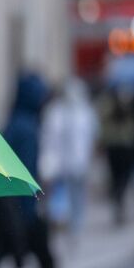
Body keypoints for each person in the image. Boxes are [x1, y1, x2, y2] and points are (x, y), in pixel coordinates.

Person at [2, 73, 69, 268]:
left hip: (10, 211)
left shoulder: (12, 124)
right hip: (23, 214)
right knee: (48, 266)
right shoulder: (28, 129)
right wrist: (34, 211)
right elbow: (27, 176)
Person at [40, 78, 99, 239]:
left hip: (79, 163)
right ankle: (61, 220)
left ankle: (75, 224)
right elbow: (49, 139)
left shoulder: (85, 113)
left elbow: (91, 138)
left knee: (78, 195)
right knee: (61, 193)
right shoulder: (55, 112)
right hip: (61, 164)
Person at [98, 86, 134, 226]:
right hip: (120, 144)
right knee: (121, 175)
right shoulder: (114, 106)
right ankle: (119, 195)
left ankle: (118, 196)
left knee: (119, 175)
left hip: (118, 144)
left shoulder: (111, 106)